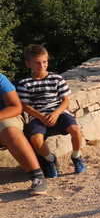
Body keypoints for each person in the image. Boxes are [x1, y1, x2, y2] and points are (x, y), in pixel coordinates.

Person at [17, 44, 85, 177]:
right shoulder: (25, 83)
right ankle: (50, 160)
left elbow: (65, 100)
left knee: (76, 130)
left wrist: (56, 113)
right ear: (28, 64)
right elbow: (25, 106)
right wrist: (41, 116)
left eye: (44, 62)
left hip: (58, 112)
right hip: (38, 116)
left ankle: (76, 157)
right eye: (37, 63)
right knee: (36, 139)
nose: (41, 66)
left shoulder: (56, 78)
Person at [1, 70, 47, 195]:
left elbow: (15, 107)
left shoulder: (1, 79)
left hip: (4, 116)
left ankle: (37, 177)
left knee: (11, 131)